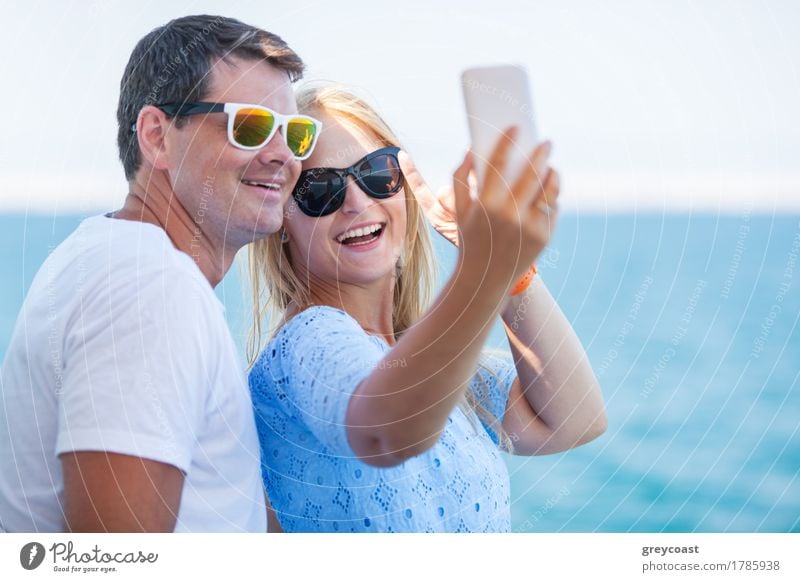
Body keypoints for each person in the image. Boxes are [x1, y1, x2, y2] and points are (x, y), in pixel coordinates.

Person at [0, 15, 320, 532]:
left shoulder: (116, 260)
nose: (283, 154)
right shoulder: (152, 287)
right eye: (252, 126)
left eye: (297, 133)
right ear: (156, 136)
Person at [247, 84, 607, 532]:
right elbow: (388, 425)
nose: (358, 202)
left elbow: (575, 420)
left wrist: (513, 273)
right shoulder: (311, 338)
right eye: (320, 189)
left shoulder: (415, 360)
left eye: (377, 173)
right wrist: (485, 270)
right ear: (282, 219)